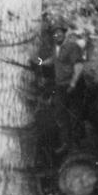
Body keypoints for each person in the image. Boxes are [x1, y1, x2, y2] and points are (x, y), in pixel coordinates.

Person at [39, 20, 85, 152]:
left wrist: (73, 83)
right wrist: (41, 62)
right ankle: (66, 143)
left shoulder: (72, 46)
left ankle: (76, 145)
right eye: (54, 34)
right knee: (60, 113)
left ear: (64, 34)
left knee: (75, 113)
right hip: (61, 85)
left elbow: (79, 66)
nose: (57, 36)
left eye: (59, 33)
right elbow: (53, 60)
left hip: (73, 85)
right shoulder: (56, 48)